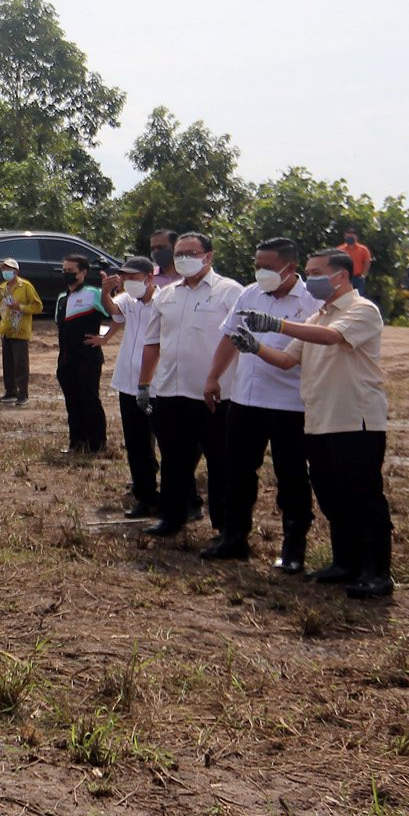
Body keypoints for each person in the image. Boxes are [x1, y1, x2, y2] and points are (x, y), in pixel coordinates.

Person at [238, 248, 392, 598]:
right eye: (309, 272)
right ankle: (345, 562)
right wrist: (254, 346)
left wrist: (276, 323)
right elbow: (287, 359)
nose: (312, 280)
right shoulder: (317, 317)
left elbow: (333, 338)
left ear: (342, 275)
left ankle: (377, 571)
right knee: (330, 493)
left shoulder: (361, 310)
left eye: (317, 272)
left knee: (363, 496)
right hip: (319, 419)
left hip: (355, 418)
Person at [199, 238, 319, 569]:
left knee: (292, 477)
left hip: (290, 403)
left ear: (290, 267)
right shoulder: (250, 293)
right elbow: (229, 337)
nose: (260, 271)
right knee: (236, 471)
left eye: (267, 266)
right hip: (246, 399)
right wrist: (213, 377)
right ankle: (233, 538)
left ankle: (294, 549)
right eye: (257, 265)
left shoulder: (311, 302)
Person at [138, 231, 241, 537]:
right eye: (178, 253)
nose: (182, 259)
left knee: (220, 462)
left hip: (214, 394)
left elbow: (236, 339)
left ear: (208, 257)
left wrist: (215, 378)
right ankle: (173, 516)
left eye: (189, 254)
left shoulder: (229, 292)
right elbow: (153, 342)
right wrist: (145, 384)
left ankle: (224, 526)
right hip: (171, 391)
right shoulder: (166, 295)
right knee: (173, 459)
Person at [105, 256, 162, 515]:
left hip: (157, 384)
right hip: (127, 382)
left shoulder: (164, 302)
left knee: (168, 442)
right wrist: (106, 293)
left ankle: (179, 498)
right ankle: (145, 495)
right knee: (136, 442)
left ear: (149, 278)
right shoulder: (128, 301)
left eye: (133, 277)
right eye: (124, 278)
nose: (128, 282)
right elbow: (114, 313)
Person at [54, 253, 109, 454]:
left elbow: (117, 315)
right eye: (64, 271)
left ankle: (97, 444)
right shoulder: (61, 298)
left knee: (89, 399)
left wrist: (104, 338)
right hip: (66, 359)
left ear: (83, 273)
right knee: (73, 401)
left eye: (72, 271)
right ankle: (77, 442)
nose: (67, 274)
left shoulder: (94, 294)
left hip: (88, 358)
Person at [0, 258, 43, 405]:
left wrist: (20, 307)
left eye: (8, 269)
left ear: (16, 271)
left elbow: (37, 306)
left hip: (20, 330)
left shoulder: (25, 286)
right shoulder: (2, 288)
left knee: (21, 363)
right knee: (8, 363)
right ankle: (10, 392)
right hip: (6, 329)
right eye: (3, 269)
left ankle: (23, 394)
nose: (5, 272)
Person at [339, 226, 373, 297]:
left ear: (356, 237)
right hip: (344, 278)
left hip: (358, 278)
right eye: (348, 234)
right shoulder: (340, 249)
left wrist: (363, 276)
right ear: (345, 236)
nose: (350, 237)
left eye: (352, 235)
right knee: (343, 298)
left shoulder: (363, 249)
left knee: (358, 299)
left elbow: (367, 263)